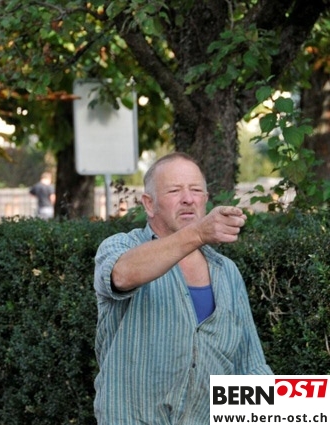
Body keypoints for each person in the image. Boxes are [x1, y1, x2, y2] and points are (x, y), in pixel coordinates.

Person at [93, 152, 272, 424]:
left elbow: (250, 367)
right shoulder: (121, 247)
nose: (188, 198)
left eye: (196, 190)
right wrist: (197, 233)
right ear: (149, 204)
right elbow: (122, 275)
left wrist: (295, 411)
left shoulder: (226, 272)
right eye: (174, 190)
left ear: (205, 199)